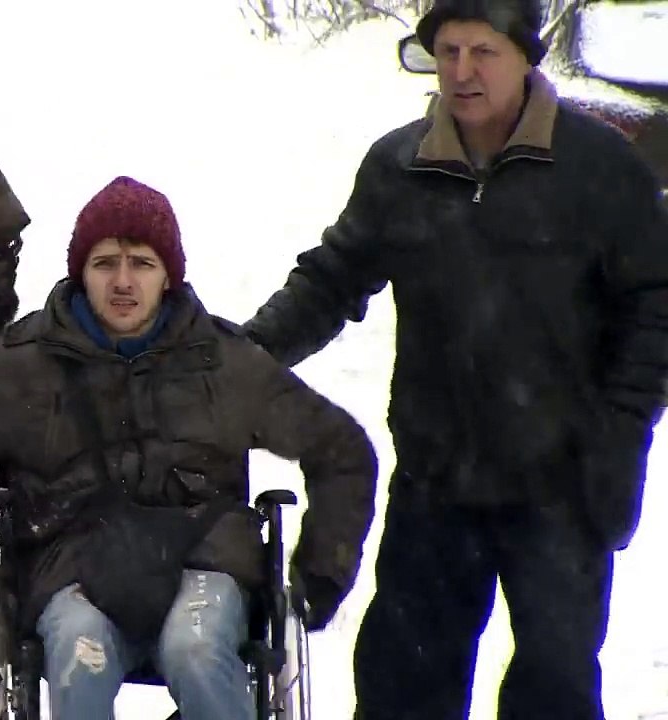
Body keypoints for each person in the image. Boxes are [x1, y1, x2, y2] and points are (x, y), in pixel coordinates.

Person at [235, 0, 668, 716]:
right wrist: (245, 355)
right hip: (437, 485)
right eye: (448, 51)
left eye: (483, 53)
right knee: (403, 688)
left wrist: (622, 432)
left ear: (525, 56)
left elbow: (655, 304)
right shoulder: (400, 167)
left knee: (553, 690)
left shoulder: (600, 171)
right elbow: (334, 279)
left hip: (561, 487)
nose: (462, 72)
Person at [0, 175, 379, 720]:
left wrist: (320, 574)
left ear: (168, 275)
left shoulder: (224, 362)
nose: (122, 281)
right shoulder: (18, 368)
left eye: (141, 263)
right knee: (80, 660)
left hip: (205, 561)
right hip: (68, 568)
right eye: (104, 263)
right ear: (80, 271)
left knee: (198, 653)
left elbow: (342, 450)